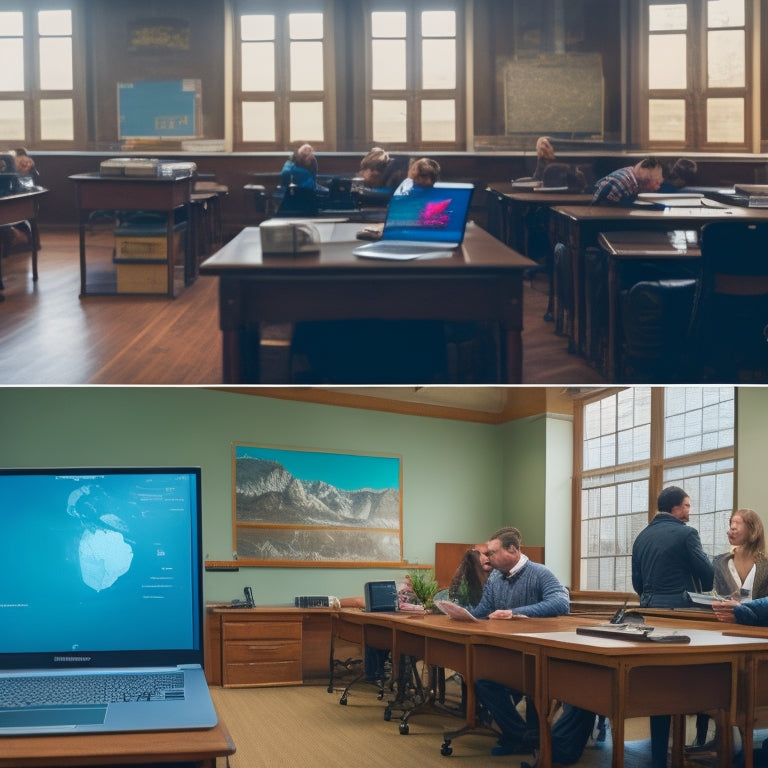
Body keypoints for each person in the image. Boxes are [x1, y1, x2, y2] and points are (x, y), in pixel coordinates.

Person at [470, 529, 596, 760]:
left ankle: (525, 739)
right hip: (509, 655)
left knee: (530, 688)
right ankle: (523, 738)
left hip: (538, 657)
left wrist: (514, 613)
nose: (488, 558)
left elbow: (560, 604)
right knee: (482, 682)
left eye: (493, 552)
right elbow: (481, 613)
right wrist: (459, 614)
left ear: (513, 550)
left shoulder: (540, 573)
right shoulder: (496, 578)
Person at [631, 485, 714, 768]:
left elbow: (637, 582)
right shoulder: (686, 533)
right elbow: (707, 572)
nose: (689, 511)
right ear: (676, 508)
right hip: (681, 615)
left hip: (649, 613)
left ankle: (658, 755)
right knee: (694, 679)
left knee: (659, 686)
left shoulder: (641, 536)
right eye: (688, 506)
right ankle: (698, 742)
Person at [713, 508, 768, 601]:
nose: (732, 528)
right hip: (725, 614)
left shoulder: (765, 565)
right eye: (732, 523)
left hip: (756, 615)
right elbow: (715, 595)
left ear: (753, 530)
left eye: (738, 523)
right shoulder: (720, 562)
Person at [591, 156, 664, 205]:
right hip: (605, 216)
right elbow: (608, 209)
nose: (658, 187)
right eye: (657, 183)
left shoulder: (632, 171)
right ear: (648, 180)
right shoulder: (628, 184)